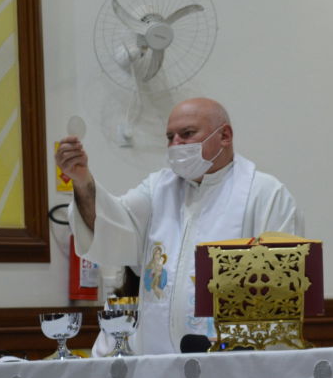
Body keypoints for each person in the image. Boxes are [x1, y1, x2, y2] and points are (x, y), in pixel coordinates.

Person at [56, 98, 304, 355]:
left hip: (232, 369)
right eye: (170, 137)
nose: (176, 144)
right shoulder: (158, 189)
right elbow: (111, 228)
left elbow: (279, 297)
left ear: (225, 136)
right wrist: (83, 181)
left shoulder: (265, 195)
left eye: (187, 134)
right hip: (159, 365)